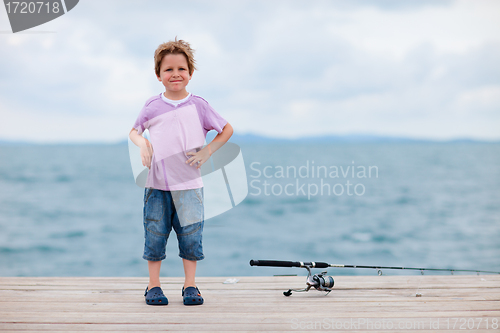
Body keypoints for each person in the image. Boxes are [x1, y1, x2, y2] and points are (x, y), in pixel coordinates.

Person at [129, 38, 233, 306]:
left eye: (181, 69)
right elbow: (134, 131)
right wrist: (144, 143)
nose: (175, 74)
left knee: (191, 239)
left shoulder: (198, 105)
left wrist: (207, 151)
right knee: (155, 237)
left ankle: (190, 285)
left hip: (189, 187)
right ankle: (153, 286)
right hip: (157, 187)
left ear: (190, 73)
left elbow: (226, 129)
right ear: (158, 75)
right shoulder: (153, 106)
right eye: (168, 70)